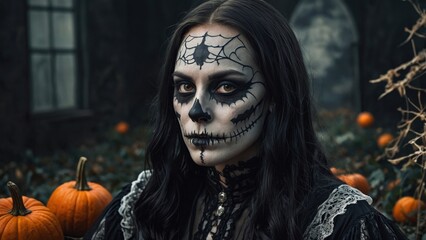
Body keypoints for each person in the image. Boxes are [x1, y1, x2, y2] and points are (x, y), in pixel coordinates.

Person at [85, 0, 408, 239]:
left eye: (226, 86)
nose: (197, 111)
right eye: (184, 86)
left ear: (276, 95)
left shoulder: (339, 223)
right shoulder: (144, 204)